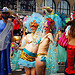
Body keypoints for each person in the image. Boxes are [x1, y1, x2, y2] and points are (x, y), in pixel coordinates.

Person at [0, 7, 14, 75]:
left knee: (7, 56)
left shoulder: (10, 23)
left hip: (7, 43)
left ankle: (8, 71)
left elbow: (11, 33)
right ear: (2, 14)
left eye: (6, 13)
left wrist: (13, 40)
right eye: (4, 13)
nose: (5, 15)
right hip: (0, 43)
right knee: (1, 57)